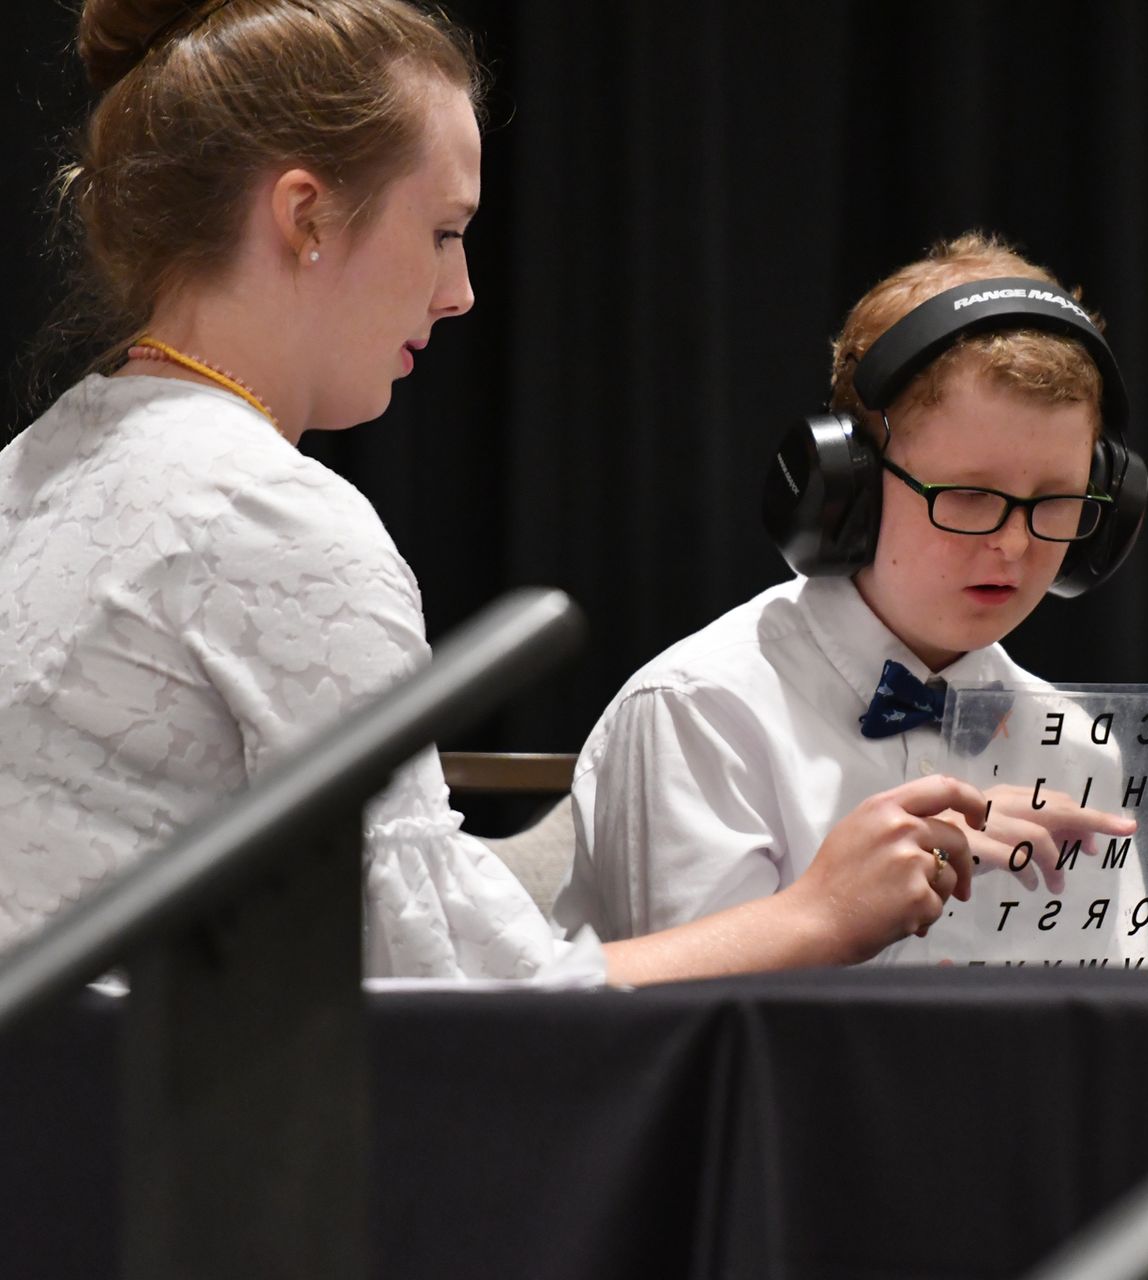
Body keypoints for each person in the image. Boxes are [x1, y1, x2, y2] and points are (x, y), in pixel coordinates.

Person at [0, 0, 986, 983]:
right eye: (442, 231)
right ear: (305, 215)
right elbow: (455, 998)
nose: (461, 290)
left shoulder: (32, 464)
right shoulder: (268, 515)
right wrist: (815, 916)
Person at [559, 233, 1143, 962]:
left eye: (1057, 500)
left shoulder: (1078, 747)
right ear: (848, 488)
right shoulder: (704, 712)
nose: (1015, 544)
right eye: (968, 495)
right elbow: (693, 1016)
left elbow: (1120, 1005)